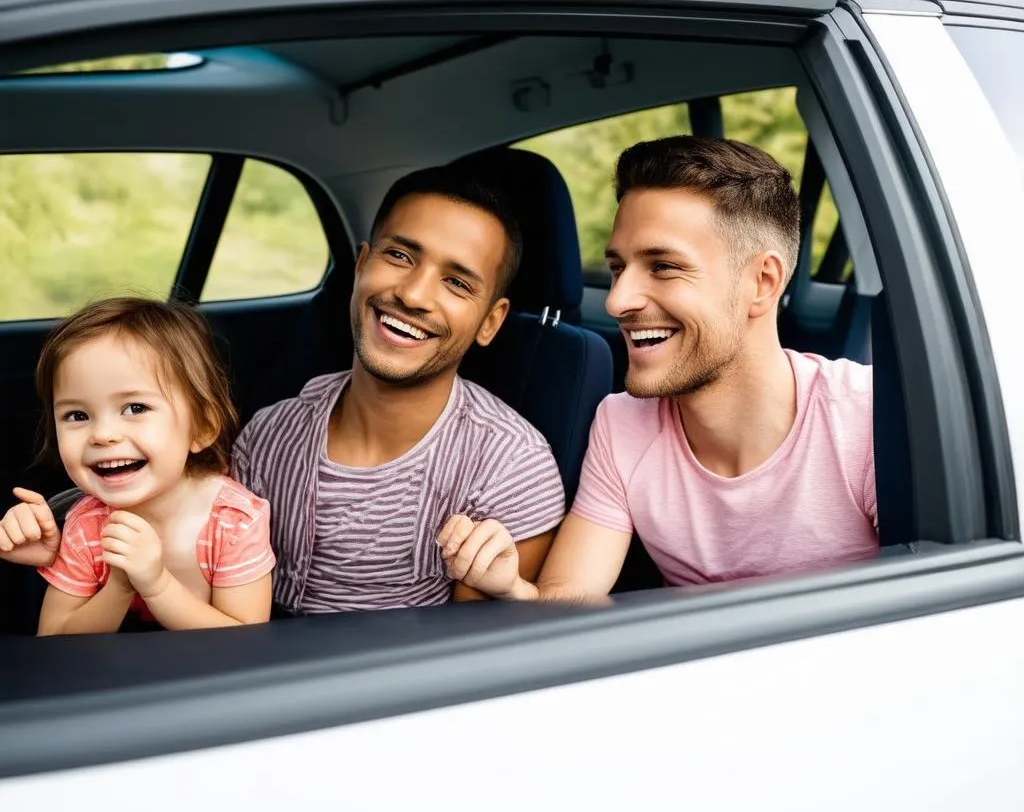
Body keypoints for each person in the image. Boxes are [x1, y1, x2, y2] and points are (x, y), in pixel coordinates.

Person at [439, 135, 878, 601]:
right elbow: (567, 606)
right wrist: (510, 588)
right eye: (616, 268)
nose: (617, 301)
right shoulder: (621, 424)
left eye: (664, 266)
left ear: (761, 283)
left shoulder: (867, 421)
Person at [231, 165, 565, 614]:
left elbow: (470, 656)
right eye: (400, 257)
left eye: (457, 282)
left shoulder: (510, 466)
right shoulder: (268, 434)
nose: (413, 294)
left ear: (491, 321)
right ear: (361, 264)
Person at [0, 297, 276, 634]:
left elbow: (246, 644)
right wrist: (120, 586)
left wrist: (157, 585)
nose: (102, 435)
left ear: (202, 427)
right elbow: (54, 639)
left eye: (135, 408)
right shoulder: (87, 525)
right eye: (77, 415)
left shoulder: (235, 522)